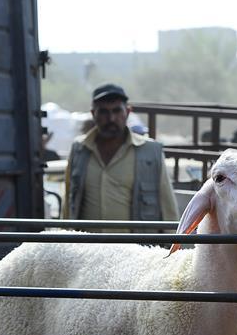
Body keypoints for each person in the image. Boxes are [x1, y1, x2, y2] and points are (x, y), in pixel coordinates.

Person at [62, 84, 179, 229]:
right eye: (103, 112)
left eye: (117, 111)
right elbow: (69, 201)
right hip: (86, 242)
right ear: (93, 114)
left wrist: (173, 240)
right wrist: (64, 235)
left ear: (127, 112)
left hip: (133, 242)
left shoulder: (150, 151)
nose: (111, 118)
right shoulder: (79, 149)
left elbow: (168, 207)